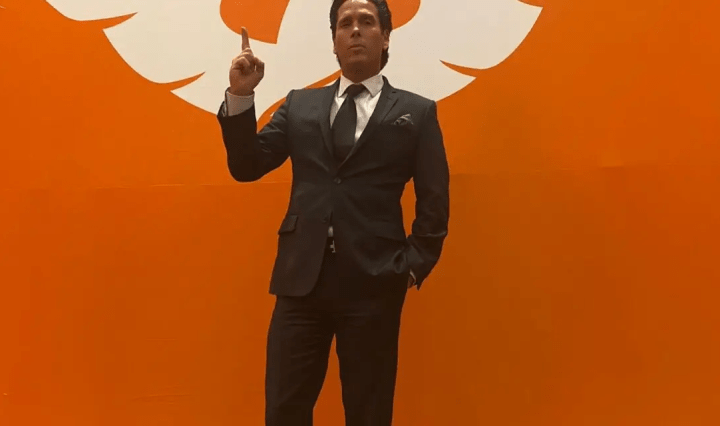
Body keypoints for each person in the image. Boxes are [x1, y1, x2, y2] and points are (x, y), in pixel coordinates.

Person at [216, 1, 449, 424]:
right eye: (345, 24)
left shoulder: (416, 112)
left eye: (367, 22)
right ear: (334, 42)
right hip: (301, 282)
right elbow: (246, 166)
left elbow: (434, 201)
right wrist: (242, 95)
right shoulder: (299, 106)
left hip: (375, 281)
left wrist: (412, 267)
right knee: (285, 410)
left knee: (368, 412)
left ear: (386, 37)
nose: (355, 30)